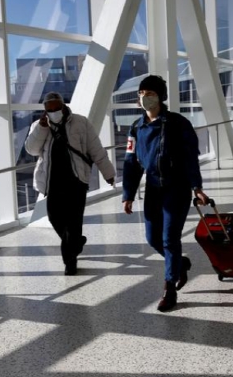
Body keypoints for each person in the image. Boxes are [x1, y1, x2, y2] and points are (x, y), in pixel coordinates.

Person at [122, 75, 210, 312]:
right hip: (153, 188)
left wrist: (196, 187)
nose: (144, 98)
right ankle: (180, 263)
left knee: (170, 238)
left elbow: (191, 157)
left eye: (149, 93)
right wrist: (128, 194)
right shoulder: (136, 128)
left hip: (177, 187)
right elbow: (131, 162)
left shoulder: (178, 123)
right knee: (153, 238)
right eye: (141, 94)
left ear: (161, 96)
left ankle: (169, 288)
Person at [25, 92, 116, 275]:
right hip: (52, 182)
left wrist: (108, 173)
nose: (53, 112)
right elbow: (32, 150)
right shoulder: (39, 125)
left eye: (56, 108)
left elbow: (95, 149)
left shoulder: (80, 122)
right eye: (49, 110)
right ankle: (75, 243)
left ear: (63, 106)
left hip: (76, 180)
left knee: (73, 222)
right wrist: (41, 128)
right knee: (54, 218)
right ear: (45, 111)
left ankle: (70, 261)